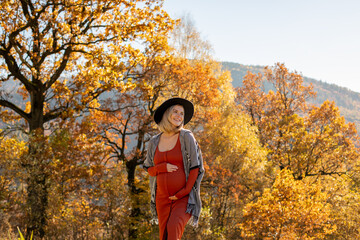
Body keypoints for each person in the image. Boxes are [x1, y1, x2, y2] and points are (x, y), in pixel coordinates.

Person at [143, 97, 205, 240]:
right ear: (167, 114)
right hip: (161, 199)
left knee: (173, 230)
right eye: (175, 112)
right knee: (164, 236)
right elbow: (149, 169)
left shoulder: (186, 136)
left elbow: (196, 167)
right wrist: (162, 167)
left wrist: (183, 192)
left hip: (182, 198)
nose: (179, 116)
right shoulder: (154, 141)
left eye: (181, 113)